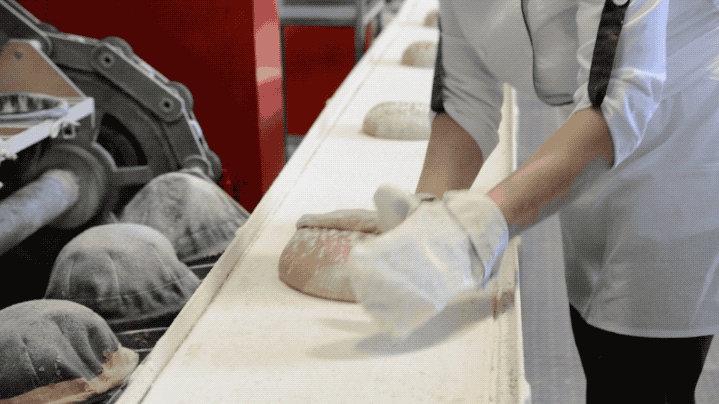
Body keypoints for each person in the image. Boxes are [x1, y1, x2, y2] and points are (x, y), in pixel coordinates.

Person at [347, 0, 719, 402]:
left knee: (643, 377)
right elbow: (464, 98)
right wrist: (426, 216)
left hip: (680, 154)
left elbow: (618, 102)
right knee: (603, 357)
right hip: (584, 144)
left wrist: (474, 227)